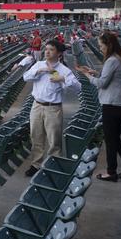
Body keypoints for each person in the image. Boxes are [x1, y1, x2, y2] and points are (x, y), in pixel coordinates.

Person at [78, 31, 121, 181]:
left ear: (108, 45)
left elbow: (102, 83)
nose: (100, 48)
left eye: (101, 45)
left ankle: (111, 172)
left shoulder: (112, 61)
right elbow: (110, 78)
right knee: (115, 139)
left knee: (110, 140)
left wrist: (87, 75)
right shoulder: (119, 58)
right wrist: (95, 72)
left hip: (113, 105)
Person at [23, 40, 81, 176]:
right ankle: (35, 165)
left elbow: (77, 87)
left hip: (53, 108)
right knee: (36, 136)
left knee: (54, 139)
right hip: (37, 105)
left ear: (59, 53)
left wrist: (58, 76)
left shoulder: (63, 70)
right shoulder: (39, 64)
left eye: (51, 50)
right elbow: (26, 77)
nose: (47, 52)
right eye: (46, 49)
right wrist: (40, 70)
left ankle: (54, 165)